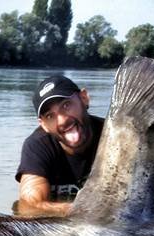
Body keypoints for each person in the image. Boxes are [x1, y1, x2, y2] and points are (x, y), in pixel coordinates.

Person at [15, 74, 104, 216]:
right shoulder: (37, 146)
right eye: (50, 116)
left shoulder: (113, 136)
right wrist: (83, 211)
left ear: (84, 98)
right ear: (43, 125)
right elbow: (28, 206)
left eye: (66, 105)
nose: (62, 120)